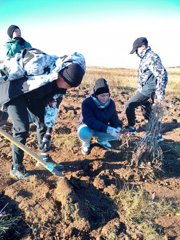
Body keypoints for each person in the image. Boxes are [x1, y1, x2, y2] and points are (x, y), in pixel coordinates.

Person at [0, 49, 85, 180]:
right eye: (68, 85)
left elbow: (51, 111)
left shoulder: (60, 89)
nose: (68, 89)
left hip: (34, 94)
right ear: (60, 76)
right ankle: (17, 166)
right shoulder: (38, 63)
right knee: (22, 127)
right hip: (14, 90)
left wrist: (47, 135)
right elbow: (6, 70)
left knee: (43, 121)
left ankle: (43, 156)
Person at [125, 37, 168, 138]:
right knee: (146, 109)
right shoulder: (145, 57)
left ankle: (131, 128)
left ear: (143, 46)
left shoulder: (151, 57)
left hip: (150, 89)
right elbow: (145, 76)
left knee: (129, 105)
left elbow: (162, 75)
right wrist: (139, 89)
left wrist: (159, 95)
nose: (136, 53)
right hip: (145, 89)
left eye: (136, 50)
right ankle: (156, 133)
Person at [77, 78, 122, 155]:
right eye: (102, 95)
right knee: (84, 133)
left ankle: (102, 139)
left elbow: (114, 119)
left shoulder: (111, 103)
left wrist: (117, 127)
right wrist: (107, 129)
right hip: (88, 128)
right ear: (96, 95)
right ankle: (86, 143)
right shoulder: (87, 103)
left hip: (102, 129)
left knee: (118, 135)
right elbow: (90, 121)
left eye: (107, 95)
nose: (105, 98)